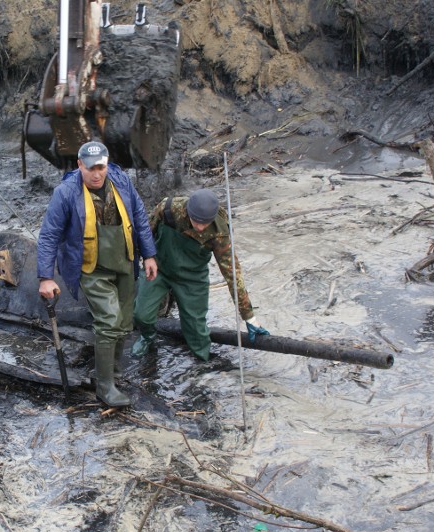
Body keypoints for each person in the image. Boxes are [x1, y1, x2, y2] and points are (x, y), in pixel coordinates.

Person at [37, 141, 158, 407]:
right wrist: (45, 277)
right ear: (79, 165)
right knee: (109, 320)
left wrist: (149, 255)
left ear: (107, 164)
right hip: (91, 268)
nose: (96, 174)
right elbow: (48, 236)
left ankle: (113, 373)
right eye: (90, 168)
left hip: (124, 262)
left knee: (125, 323)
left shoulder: (121, 181)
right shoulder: (66, 193)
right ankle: (104, 388)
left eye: (100, 167)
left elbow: (139, 215)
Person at [131, 188, 269, 360]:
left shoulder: (219, 233)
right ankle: (147, 337)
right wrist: (146, 257)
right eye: (196, 221)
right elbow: (145, 232)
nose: (200, 227)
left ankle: (203, 360)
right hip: (159, 268)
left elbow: (233, 274)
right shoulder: (169, 208)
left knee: (195, 326)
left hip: (192, 278)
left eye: (205, 223)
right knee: (140, 314)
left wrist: (248, 316)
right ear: (188, 212)